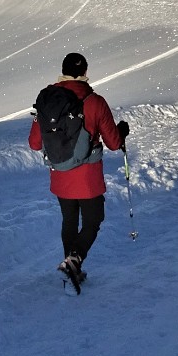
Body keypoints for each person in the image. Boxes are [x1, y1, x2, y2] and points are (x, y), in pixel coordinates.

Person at [29, 52, 128, 287]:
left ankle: (71, 270)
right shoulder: (95, 102)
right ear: (85, 72)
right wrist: (122, 131)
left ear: (62, 71)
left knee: (69, 221)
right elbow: (114, 143)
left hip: (60, 174)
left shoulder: (46, 100)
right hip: (88, 177)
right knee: (94, 219)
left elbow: (34, 143)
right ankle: (73, 263)